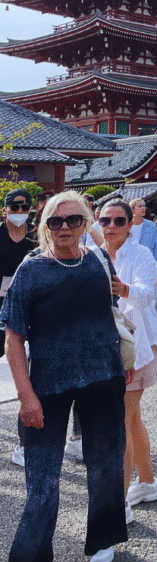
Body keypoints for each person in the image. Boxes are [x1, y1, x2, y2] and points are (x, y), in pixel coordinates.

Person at [0, 192, 130, 562]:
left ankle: (104, 538)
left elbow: (111, 307)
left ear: (85, 221)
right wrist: (25, 395)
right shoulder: (31, 270)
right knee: (42, 487)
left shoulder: (97, 261)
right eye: (55, 223)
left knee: (106, 462)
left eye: (73, 220)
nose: (65, 229)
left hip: (103, 379)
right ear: (44, 227)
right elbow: (13, 338)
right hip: (47, 387)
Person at [97, 199, 157, 516]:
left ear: (130, 223)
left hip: (133, 347)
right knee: (131, 417)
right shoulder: (92, 255)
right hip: (102, 345)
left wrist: (123, 289)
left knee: (121, 420)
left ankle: (119, 502)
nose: (110, 226)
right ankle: (148, 483)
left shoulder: (141, 254)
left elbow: (147, 294)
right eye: (105, 220)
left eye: (118, 221)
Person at [1, 189, 37, 469]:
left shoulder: (37, 236)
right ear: (5, 209)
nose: (20, 209)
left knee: (30, 373)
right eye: (15, 205)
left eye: (25, 205)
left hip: (31, 308)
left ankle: (27, 442)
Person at [129, 198, 157, 283]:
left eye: (144, 206)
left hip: (147, 264)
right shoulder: (125, 225)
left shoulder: (152, 225)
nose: (143, 208)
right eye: (139, 206)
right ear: (132, 209)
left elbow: (155, 248)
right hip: (130, 265)